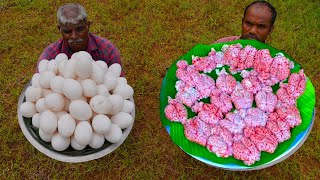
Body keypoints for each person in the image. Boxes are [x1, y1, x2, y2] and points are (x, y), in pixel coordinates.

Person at [38, 3, 123, 75]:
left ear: (88, 26)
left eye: (79, 29)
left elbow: (119, 84)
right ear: (59, 29)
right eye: (67, 31)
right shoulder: (50, 56)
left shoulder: (108, 51)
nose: (74, 36)